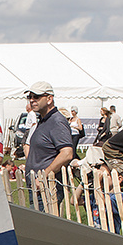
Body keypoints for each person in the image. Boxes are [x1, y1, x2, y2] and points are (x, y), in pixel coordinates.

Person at [23, 80, 75, 210]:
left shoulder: (57, 122)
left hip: (47, 188)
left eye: (36, 97)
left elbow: (67, 153)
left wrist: (44, 175)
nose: (32, 100)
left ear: (49, 99)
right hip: (38, 187)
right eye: (30, 97)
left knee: (42, 228)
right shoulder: (43, 120)